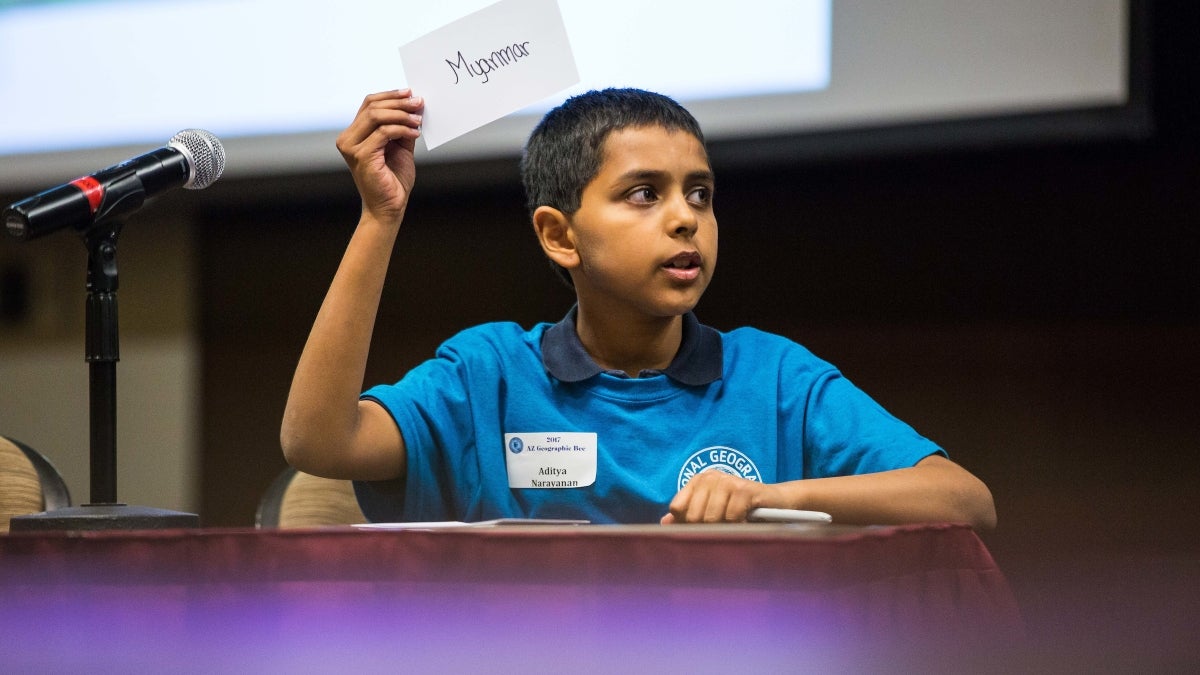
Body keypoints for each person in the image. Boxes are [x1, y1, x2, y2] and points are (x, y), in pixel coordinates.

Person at [280, 88, 996, 529]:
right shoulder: (487, 374)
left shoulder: (773, 376)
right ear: (560, 236)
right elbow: (318, 443)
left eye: (700, 193)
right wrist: (379, 217)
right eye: (645, 193)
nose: (686, 218)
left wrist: (768, 497)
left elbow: (964, 498)